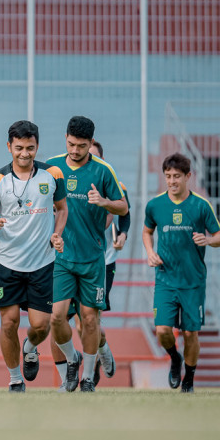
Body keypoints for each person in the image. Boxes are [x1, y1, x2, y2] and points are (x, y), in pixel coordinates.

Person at [0, 121, 67, 392]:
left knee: (41, 325)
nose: (24, 153)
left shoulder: (52, 174)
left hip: (42, 263)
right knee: (8, 324)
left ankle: (30, 347)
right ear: (9, 147)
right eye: (18, 148)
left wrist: (57, 233)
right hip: (7, 264)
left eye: (30, 148)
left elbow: (62, 209)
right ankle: (15, 379)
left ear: (37, 146)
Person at [46, 116, 128, 392]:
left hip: (93, 258)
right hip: (61, 258)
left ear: (91, 143)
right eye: (71, 144)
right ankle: (72, 359)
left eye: (82, 146)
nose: (75, 150)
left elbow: (123, 207)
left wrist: (104, 202)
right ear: (65, 137)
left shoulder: (104, 171)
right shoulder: (52, 167)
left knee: (89, 319)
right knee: (56, 318)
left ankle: (89, 378)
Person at [142, 153, 220, 393]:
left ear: (188, 176)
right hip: (165, 278)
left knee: (191, 333)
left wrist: (208, 240)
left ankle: (188, 379)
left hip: (193, 282)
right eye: (168, 176)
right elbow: (147, 232)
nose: (171, 181)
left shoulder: (201, 205)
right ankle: (174, 358)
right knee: (163, 331)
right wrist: (149, 252)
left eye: (177, 176)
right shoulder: (155, 205)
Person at [92, 140, 127, 379]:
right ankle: (102, 347)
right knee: (65, 320)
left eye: (94, 156)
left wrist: (123, 234)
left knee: (90, 320)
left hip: (103, 262)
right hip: (72, 260)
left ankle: (92, 368)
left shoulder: (113, 183)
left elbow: (126, 215)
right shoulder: (68, 180)